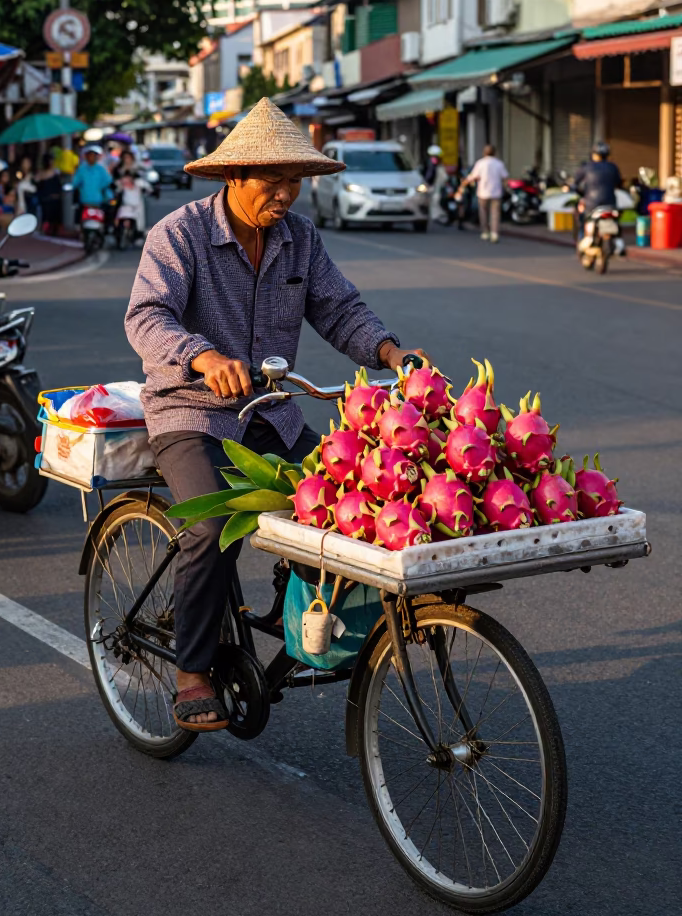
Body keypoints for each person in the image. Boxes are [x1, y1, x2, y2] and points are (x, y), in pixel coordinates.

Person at [125, 98, 429, 733]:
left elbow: (339, 308)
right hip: (191, 412)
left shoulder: (301, 239)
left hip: (272, 412)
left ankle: (313, 621)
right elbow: (147, 316)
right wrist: (202, 356)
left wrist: (392, 353)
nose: (286, 194)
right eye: (273, 181)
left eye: (295, 181)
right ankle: (192, 671)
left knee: (358, 503)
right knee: (211, 530)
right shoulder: (178, 235)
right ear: (234, 178)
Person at [458, 144, 508, 243]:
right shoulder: (499, 163)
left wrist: (464, 182)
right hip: (496, 192)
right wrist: (505, 187)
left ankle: (485, 231)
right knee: (495, 213)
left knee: (483, 212)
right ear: (495, 153)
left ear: (484, 153)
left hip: (483, 192)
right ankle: (494, 233)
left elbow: (472, 176)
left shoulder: (480, 163)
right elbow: (505, 176)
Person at [573, 142, 622, 238]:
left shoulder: (587, 167)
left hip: (591, 204)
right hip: (610, 203)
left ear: (594, 154)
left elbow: (575, 182)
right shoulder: (613, 167)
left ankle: (582, 237)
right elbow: (619, 183)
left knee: (582, 217)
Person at [72, 144, 113, 213]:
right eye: (90, 155)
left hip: (98, 202)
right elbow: (75, 183)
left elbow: (108, 181)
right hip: (85, 202)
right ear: (86, 156)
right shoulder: (82, 169)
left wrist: (100, 187)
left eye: (94, 155)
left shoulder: (100, 169)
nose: (92, 157)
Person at [35, 154, 63, 233]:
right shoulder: (40, 174)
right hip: (45, 200)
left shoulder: (56, 172)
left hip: (56, 200)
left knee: (55, 220)